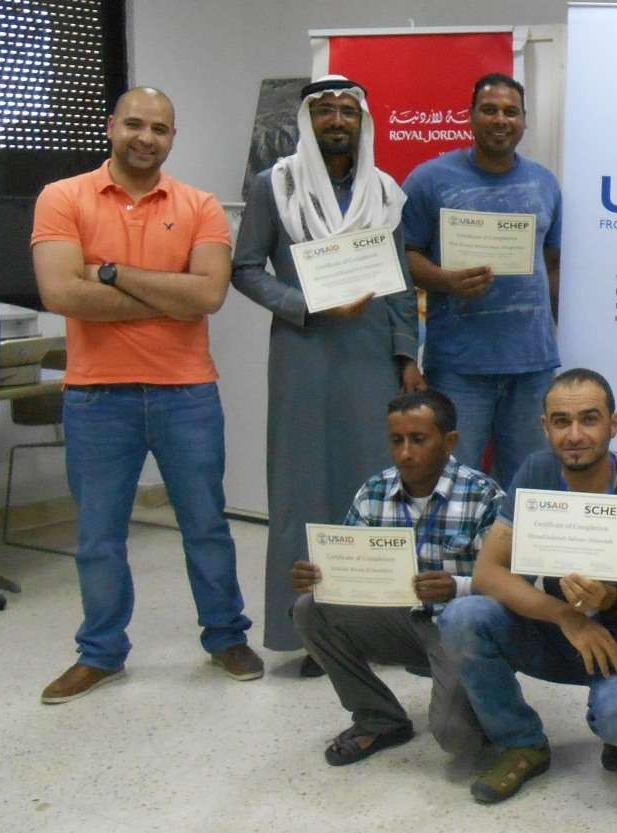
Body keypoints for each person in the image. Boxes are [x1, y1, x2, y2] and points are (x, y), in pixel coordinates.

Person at [31, 87, 263, 703]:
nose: (145, 137)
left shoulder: (200, 206)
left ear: (171, 138)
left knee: (206, 525)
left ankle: (224, 637)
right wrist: (168, 293)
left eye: (159, 128)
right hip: (95, 397)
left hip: (186, 393)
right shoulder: (63, 198)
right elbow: (61, 295)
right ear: (112, 127)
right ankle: (101, 653)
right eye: (134, 123)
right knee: (99, 535)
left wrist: (106, 272)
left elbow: (208, 296)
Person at [232, 75, 425, 669]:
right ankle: (308, 631)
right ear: (307, 121)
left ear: (362, 122)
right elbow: (244, 269)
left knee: (370, 490)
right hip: (305, 356)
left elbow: (397, 281)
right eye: (326, 111)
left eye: (348, 111)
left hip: (371, 360)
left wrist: (408, 354)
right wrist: (304, 304)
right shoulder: (275, 185)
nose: (337, 121)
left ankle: (376, 629)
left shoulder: (384, 191)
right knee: (303, 490)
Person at [438, 369, 617, 803]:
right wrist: (567, 616)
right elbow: (487, 573)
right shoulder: (536, 471)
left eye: (589, 419)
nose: (574, 434)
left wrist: (613, 598)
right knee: (462, 616)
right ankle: (521, 742)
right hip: (556, 627)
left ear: (615, 423)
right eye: (561, 421)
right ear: (544, 426)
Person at [291, 390, 502, 766]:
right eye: (396, 440)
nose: (405, 452)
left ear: (449, 441)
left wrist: (458, 587)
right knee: (310, 608)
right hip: (399, 621)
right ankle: (379, 718)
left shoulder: (483, 495)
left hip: (458, 630)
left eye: (418, 440)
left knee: (458, 739)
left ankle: (491, 697)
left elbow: (510, 585)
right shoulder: (374, 491)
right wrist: (321, 576)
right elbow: (349, 567)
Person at [402, 72, 562, 487]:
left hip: (532, 367)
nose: (500, 120)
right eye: (489, 110)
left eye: (511, 111)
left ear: (524, 121)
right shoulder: (428, 179)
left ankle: (511, 556)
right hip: (459, 366)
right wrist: (444, 280)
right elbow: (402, 255)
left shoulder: (545, 182)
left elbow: (553, 263)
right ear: (470, 117)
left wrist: (553, 334)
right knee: (454, 485)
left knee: (528, 486)